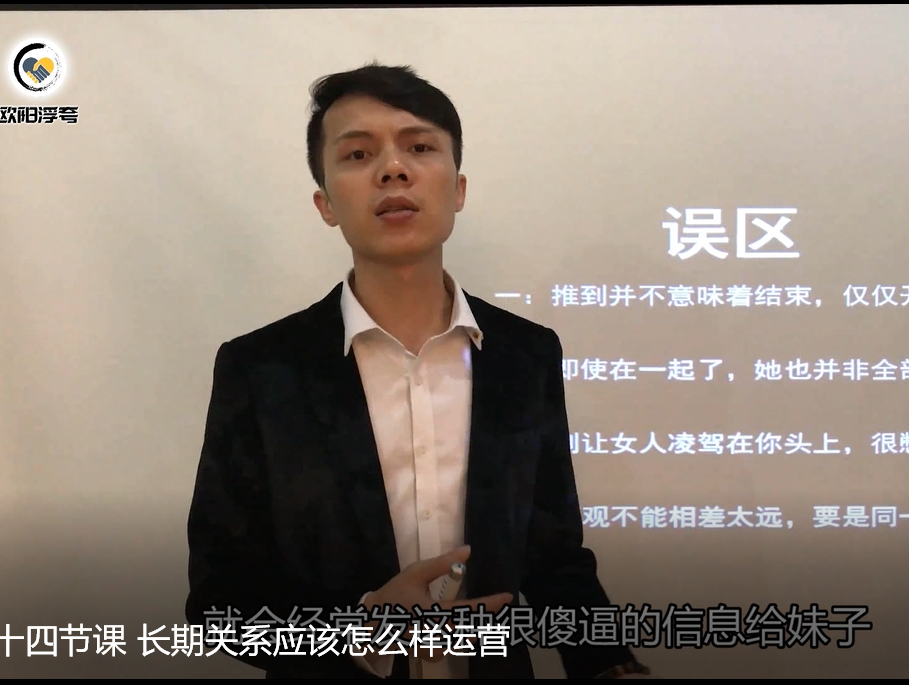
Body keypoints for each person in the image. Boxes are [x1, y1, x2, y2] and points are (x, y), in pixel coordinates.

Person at [184, 62, 651, 679]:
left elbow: (553, 554)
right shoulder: (262, 368)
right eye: (357, 154)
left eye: (420, 147)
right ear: (326, 204)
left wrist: (611, 666)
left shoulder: (525, 354)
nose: (393, 169)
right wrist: (360, 630)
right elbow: (218, 604)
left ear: (457, 189)